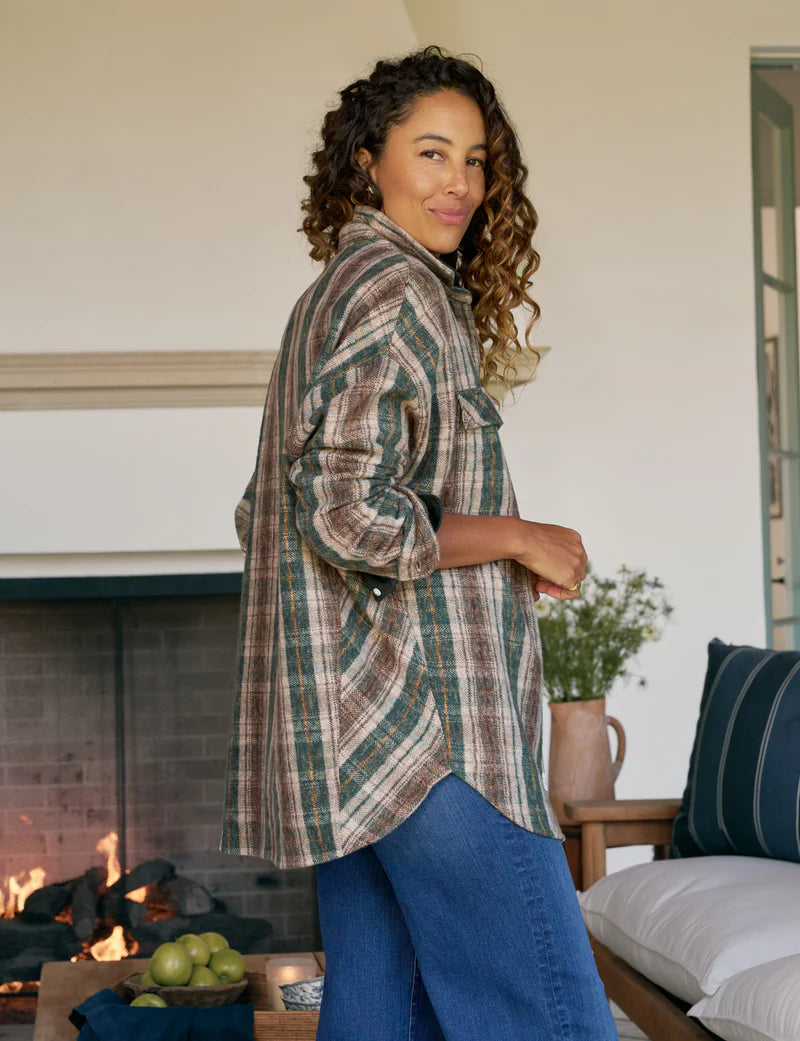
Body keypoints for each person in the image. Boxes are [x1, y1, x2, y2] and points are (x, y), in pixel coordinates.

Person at [221, 44, 619, 1041]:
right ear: (368, 160)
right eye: (432, 152)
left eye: (475, 160)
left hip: (350, 732)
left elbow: (273, 508)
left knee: (381, 1017)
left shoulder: (336, 291)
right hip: (428, 736)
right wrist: (517, 536)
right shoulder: (392, 290)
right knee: (554, 1018)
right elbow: (344, 509)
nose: (460, 184)